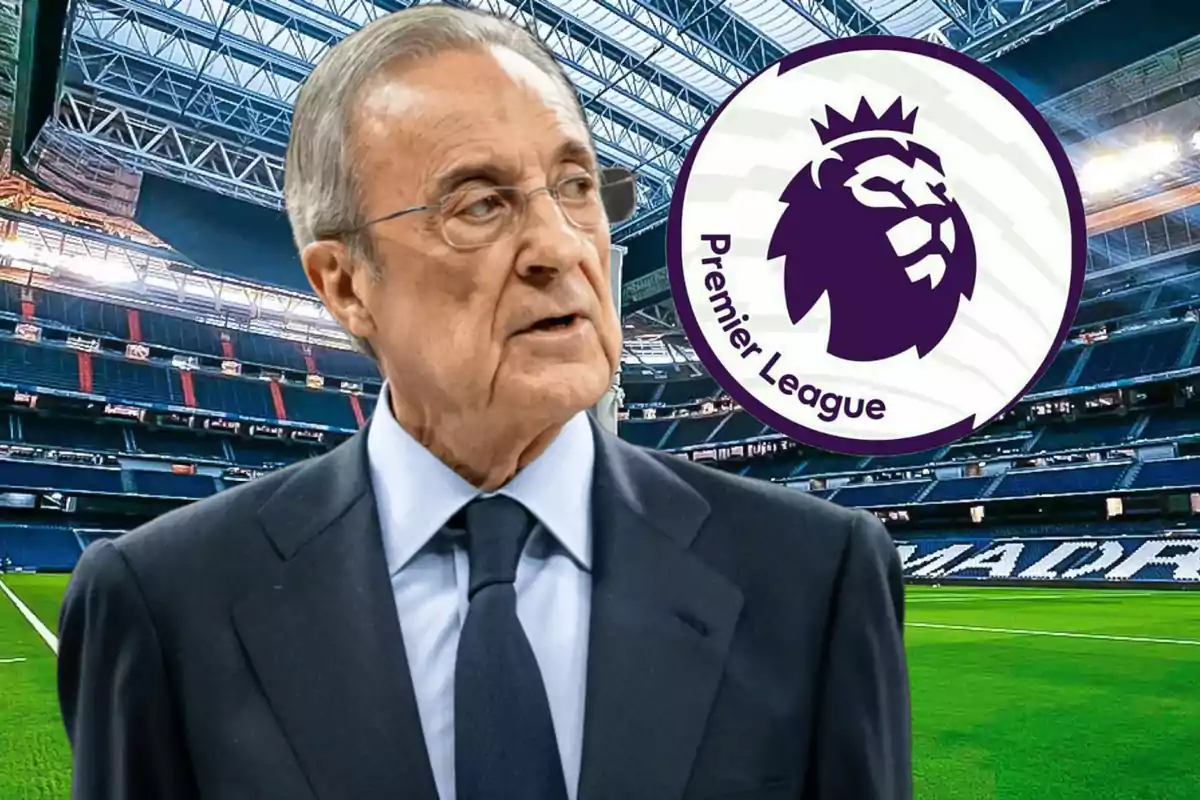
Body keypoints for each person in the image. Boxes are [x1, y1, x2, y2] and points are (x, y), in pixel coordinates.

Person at [56, 6, 911, 800]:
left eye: (576, 185)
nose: (558, 246)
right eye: (480, 204)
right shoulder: (162, 604)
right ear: (347, 285)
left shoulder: (815, 576)